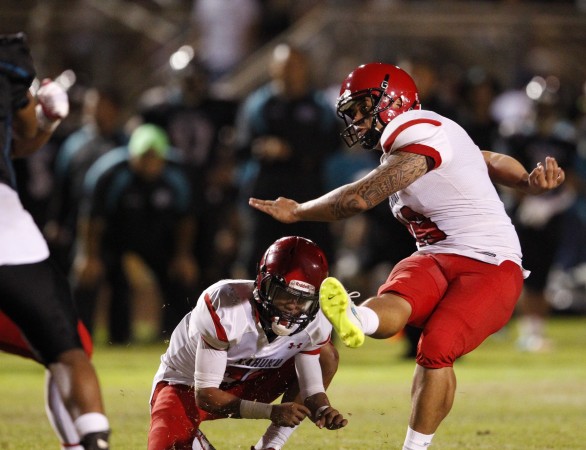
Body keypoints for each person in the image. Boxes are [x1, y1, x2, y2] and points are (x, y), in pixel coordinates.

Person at [248, 62, 566, 449]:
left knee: (435, 347)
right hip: (437, 254)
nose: (358, 121)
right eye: (352, 113)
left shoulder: (415, 130)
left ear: (394, 100)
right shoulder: (430, 133)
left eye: (364, 108)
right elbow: (485, 157)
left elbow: (357, 198)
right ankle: (356, 317)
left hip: (490, 262)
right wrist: (523, 181)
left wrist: (299, 211)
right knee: (400, 294)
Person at [0, 32, 110, 450]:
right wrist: (48, 116)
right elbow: (25, 139)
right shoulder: (6, 61)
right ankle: (89, 441)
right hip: (5, 229)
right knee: (70, 350)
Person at [148, 236, 347, 450]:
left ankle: (269, 447)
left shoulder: (315, 319)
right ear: (263, 283)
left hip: (253, 381)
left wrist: (322, 409)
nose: (292, 306)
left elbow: (312, 389)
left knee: (326, 357)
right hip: (188, 387)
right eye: (283, 294)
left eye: (302, 300)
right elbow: (205, 395)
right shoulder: (227, 305)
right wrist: (269, 411)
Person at [73, 123, 199, 343]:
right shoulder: (109, 173)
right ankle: (81, 339)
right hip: (113, 238)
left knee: (180, 279)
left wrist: (183, 255)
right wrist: (88, 256)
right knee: (90, 278)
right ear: (132, 155)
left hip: (158, 239)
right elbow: (93, 219)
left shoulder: (178, 175)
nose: (149, 163)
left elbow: (185, 220)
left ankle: (180, 338)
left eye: (154, 157)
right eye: (144, 156)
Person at [234, 43, 340, 278]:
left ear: (305, 68)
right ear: (273, 68)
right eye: (284, 66)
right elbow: (241, 146)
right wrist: (261, 148)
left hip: (309, 195)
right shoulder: (258, 104)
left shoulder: (319, 105)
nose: (289, 71)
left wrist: (292, 151)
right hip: (267, 194)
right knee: (258, 262)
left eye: (294, 65)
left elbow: (332, 144)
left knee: (317, 261)